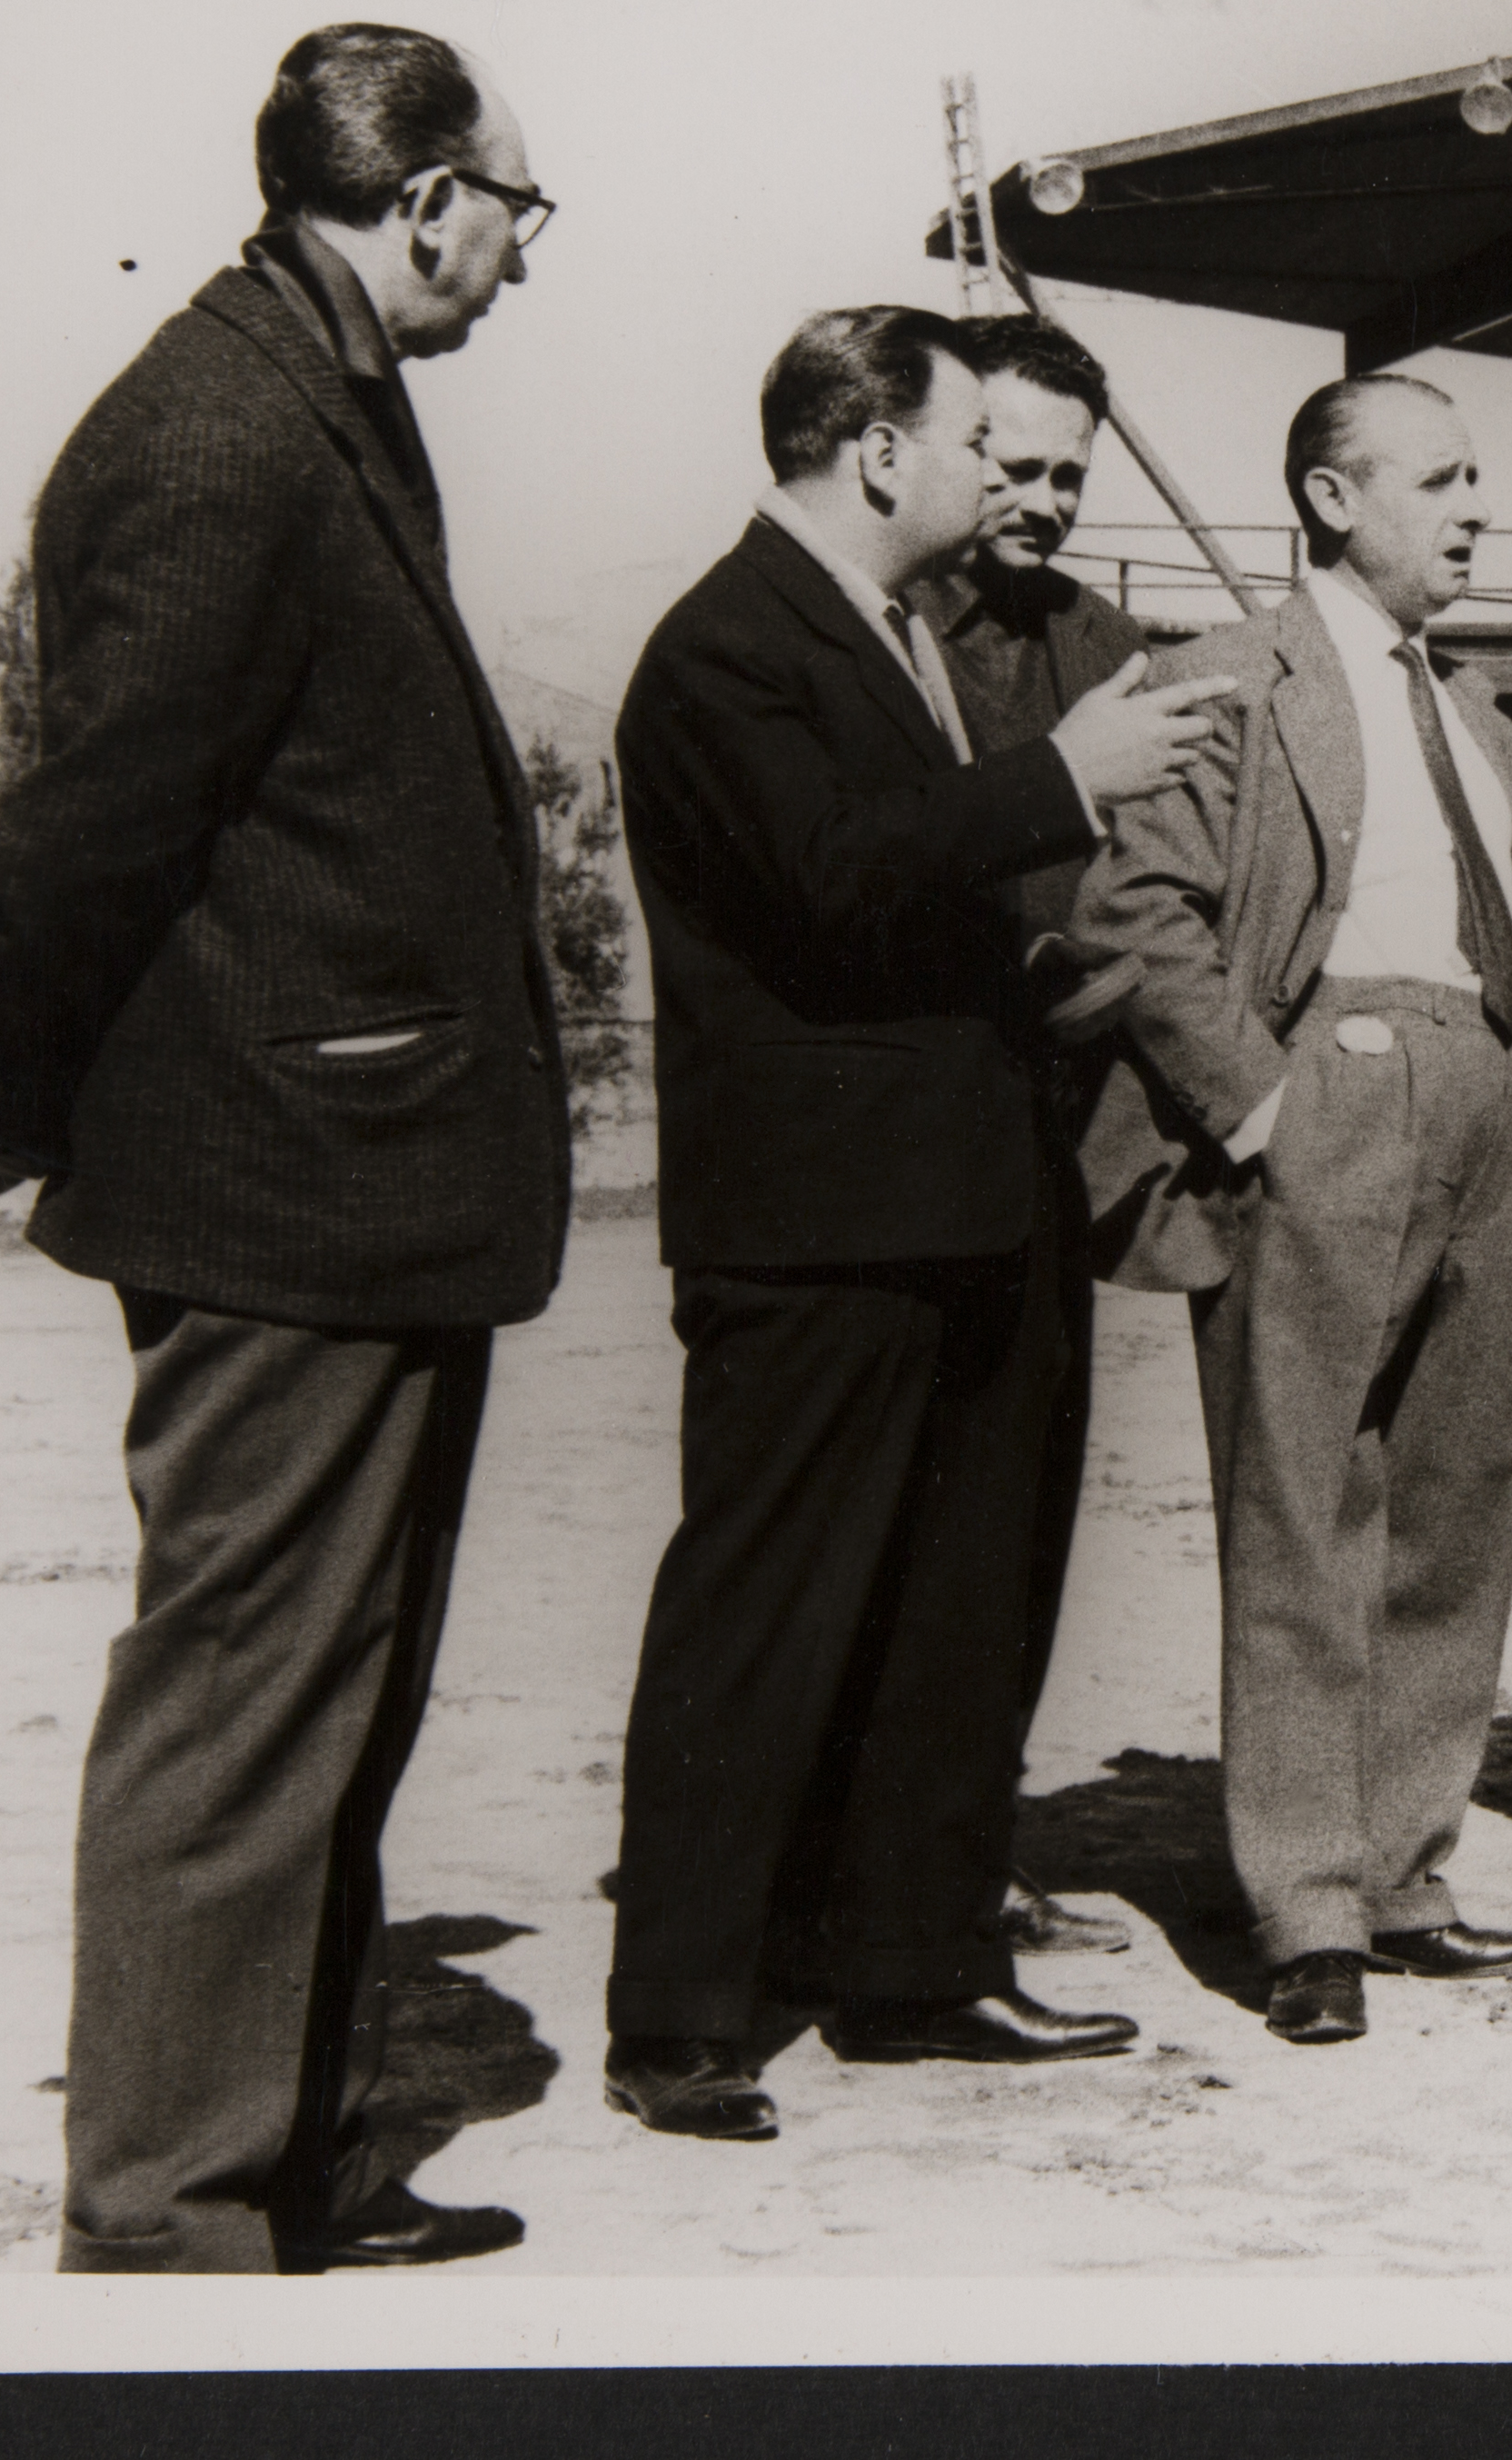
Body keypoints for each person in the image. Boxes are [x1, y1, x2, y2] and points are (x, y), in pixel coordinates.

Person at [0, 24, 561, 2271]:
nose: (522, 258)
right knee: (241, 1703)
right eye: (518, 210)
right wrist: (12, 1108)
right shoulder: (219, 425)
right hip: (282, 1176)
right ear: (427, 200)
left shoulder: (314, 385)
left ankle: (289, 2165)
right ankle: (163, 2231)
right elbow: (84, 828)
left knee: (334, 1694)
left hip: (356, 1167)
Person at [601, 307, 1234, 2143]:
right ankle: (682, 2012)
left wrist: (1028, 970)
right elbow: (822, 872)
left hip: (966, 1192)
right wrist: (1061, 781)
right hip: (821, 1220)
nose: (998, 475)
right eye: (974, 442)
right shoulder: (729, 644)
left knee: (965, 1600)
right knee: (767, 1605)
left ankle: (916, 1966)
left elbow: (897, 893)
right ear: (878, 452)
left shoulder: (883, 634)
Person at [1070, 373, 1512, 2046]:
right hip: (1330, 1097)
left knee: (1459, 1505)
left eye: (1476, 477)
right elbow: (1139, 913)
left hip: (1501, 1106)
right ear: (1331, 499)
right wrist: (1266, 1104)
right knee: (1304, 1512)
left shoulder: (1481, 714)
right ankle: (1306, 1913)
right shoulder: (1224, 678)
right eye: (1438, 479)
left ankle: (1407, 1876)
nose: (1475, 508)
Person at [911, 310, 1157, 1963]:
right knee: (900, 1526)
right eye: (1013, 463)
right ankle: (869, 1875)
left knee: (1017, 1522)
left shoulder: (1105, 640)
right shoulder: (874, 629)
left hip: (1058, 1144)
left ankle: (969, 1858)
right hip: (903, 1142)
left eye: (1072, 475)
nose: (1045, 501)